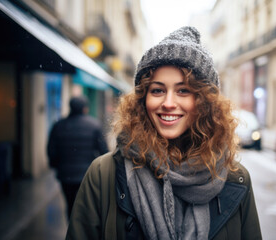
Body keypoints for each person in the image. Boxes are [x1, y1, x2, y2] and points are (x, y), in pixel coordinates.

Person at [66, 26, 262, 239]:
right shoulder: (105, 173)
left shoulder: (236, 179)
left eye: (183, 90)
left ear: (205, 102)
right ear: (142, 100)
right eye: (157, 90)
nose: (169, 103)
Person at [47, 95, 109, 218]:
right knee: (86, 205)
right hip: (87, 173)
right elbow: (104, 150)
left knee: (70, 203)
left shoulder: (59, 125)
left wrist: (56, 165)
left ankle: (72, 230)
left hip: (66, 174)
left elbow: (51, 149)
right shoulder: (94, 125)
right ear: (85, 108)